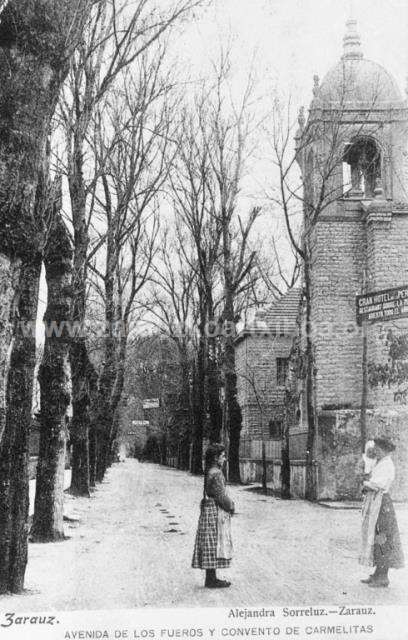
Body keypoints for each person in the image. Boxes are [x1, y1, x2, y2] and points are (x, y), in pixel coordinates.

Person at [359, 436, 405, 587]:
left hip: (382, 504)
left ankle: (383, 576)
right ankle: (378, 573)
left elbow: (377, 484)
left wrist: (365, 483)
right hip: (377, 502)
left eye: (378, 449)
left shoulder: (387, 465)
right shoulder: (380, 462)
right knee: (376, 536)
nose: (376, 451)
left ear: (384, 450)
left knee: (382, 538)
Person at [192, 443, 235, 588]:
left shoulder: (209, 471)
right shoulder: (216, 473)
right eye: (223, 456)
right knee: (214, 542)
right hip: (214, 511)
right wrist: (231, 506)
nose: (225, 459)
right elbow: (221, 496)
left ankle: (211, 578)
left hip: (208, 509)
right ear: (216, 458)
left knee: (210, 543)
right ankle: (211, 580)